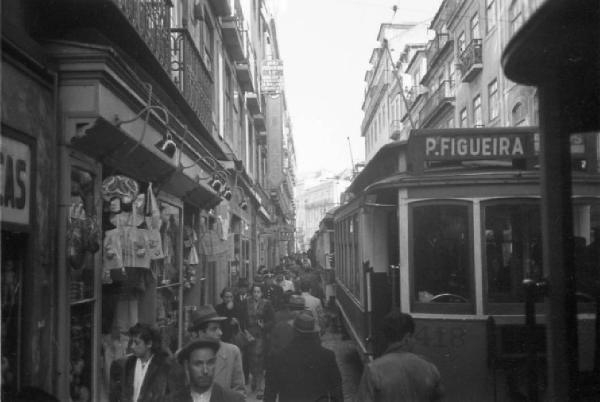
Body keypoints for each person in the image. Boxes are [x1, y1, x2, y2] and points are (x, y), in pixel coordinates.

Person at [355, 311, 443, 402]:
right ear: (407, 338)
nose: (414, 341)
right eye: (413, 337)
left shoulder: (373, 370)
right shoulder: (429, 368)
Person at [264, 311, 343, 402]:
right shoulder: (327, 356)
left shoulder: (278, 357)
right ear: (314, 332)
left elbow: (270, 393)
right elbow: (337, 392)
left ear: (294, 331)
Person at [187, 305, 246, 396]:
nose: (220, 333)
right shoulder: (184, 357)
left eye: (220, 328)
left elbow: (239, 393)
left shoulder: (232, 352)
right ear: (198, 333)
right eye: (214, 329)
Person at [110, 323, 176, 402]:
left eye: (136, 343)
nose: (132, 346)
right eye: (131, 342)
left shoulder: (166, 367)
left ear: (149, 344)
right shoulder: (124, 365)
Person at [165, 336, 244, 402]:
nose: (205, 371)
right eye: (198, 364)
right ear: (186, 366)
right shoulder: (172, 400)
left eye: (210, 363)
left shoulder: (234, 399)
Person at [244, 283, 275, 399]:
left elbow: (273, 320)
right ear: (252, 293)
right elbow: (243, 318)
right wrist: (245, 331)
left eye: (258, 292)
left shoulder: (267, 304)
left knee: (259, 359)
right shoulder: (246, 302)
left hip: (261, 335)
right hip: (249, 335)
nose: (256, 294)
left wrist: (264, 325)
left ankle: (261, 387)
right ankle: (254, 379)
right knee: (251, 359)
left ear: (262, 293)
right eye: (254, 292)